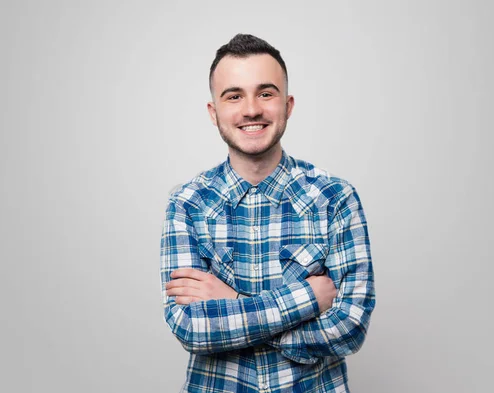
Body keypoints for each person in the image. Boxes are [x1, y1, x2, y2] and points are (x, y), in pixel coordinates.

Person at [160, 33, 376, 393]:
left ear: (288, 105)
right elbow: (190, 327)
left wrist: (231, 304)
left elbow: (350, 327)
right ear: (214, 113)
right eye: (234, 96)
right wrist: (307, 299)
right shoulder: (187, 203)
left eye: (265, 93)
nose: (251, 110)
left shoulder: (335, 198)